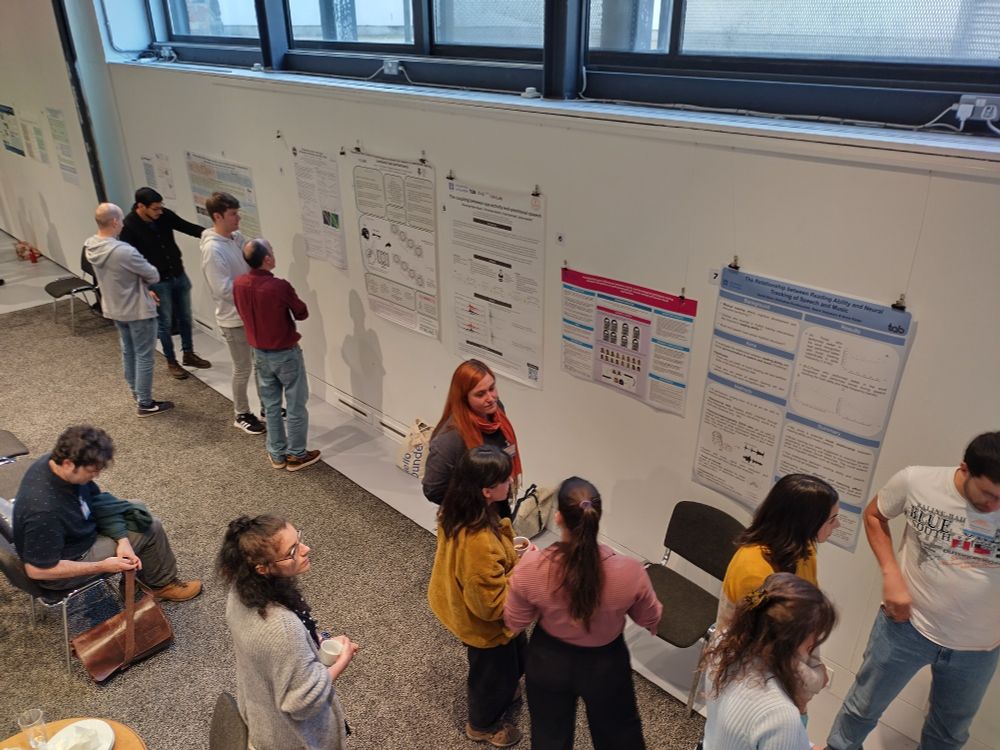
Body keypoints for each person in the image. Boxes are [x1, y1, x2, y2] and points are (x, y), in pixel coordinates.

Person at [827, 431, 1000, 750]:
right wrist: (890, 573)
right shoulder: (916, 482)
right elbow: (875, 515)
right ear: (964, 469)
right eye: (988, 494)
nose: (994, 506)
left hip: (979, 647)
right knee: (861, 710)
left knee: (948, 735)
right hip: (906, 626)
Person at [505, 477, 662, 750]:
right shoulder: (631, 572)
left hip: (548, 661)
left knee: (549, 736)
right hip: (606, 664)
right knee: (620, 735)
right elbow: (650, 618)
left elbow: (515, 621)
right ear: (597, 517)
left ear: (558, 517)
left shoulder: (530, 567)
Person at [11, 425, 200, 600]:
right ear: (68, 464)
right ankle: (161, 585)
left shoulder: (54, 463)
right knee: (151, 527)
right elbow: (38, 570)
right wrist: (103, 566)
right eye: (92, 471)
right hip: (67, 563)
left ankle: (140, 577)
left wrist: (122, 540)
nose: (96, 476)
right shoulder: (43, 511)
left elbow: (97, 501)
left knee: (137, 511)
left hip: (76, 533)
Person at [218, 514, 358, 750]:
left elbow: (270, 652)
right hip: (291, 737)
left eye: (299, 539)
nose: (305, 549)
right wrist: (343, 659)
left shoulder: (239, 592)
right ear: (263, 568)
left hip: (260, 711)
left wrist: (312, 642)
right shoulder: (282, 627)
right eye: (292, 551)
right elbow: (303, 702)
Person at [428, 445, 525, 748]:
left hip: (457, 601)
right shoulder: (479, 543)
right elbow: (491, 606)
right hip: (485, 628)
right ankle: (482, 726)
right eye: (505, 479)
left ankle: (506, 688)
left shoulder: (457, 507)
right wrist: (523, 571)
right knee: (490, 679)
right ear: (486, 490)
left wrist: (509, 558)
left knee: (514, 658)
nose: (511, 482)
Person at [702, 573, 837, 750]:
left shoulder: (723, 646)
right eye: (814, 637)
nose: (815, 642)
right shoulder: (780, 715)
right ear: (793, 641)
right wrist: (801, 707)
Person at [234, 238, 321, 472]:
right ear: (267, 259)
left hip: (259, 353)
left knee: (271, 405)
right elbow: (301, 313)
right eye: (271, 251)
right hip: (285, 353)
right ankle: (297, 454)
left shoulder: (239, 283)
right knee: (295, 404)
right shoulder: (279, 286)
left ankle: (276, 453)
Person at [84, 202, 174, 417]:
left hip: (115, 308)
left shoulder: (91, 246)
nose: (123, 224)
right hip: (137, 309)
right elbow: (153, 274)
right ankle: (145, 402)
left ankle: (136, 392)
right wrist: (142, 283)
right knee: (144, 355)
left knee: (128, 351)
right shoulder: (124, 251)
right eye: (121, 219)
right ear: (115, 222)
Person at [119, 186, 212, 380]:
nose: (159, 212)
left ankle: (189, 354)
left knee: (185, 317)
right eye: (155, 209)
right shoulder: (128, 227)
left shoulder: (164, 215)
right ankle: (172, 361)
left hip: (178, 273)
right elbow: (128, 261)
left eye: (161, 207)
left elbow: (187, 227)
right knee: (165, 323)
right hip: (156, 282)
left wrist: (214, 235)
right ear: (141, 206)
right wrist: (143, 287)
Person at [200, 191, 265, 435]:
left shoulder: (237, 239)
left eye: (238, 213)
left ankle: (267, 407)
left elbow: (252, 264)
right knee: (243, 367)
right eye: (233, 214)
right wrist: (252, 294)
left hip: (252, 313)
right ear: (217, 216)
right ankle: (242, 413)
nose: (238, 218)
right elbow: (223, 289)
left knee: (261, 365)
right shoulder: (212, 250)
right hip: (233, 318)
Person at [423, 359, 522, 519]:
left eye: (492, 388)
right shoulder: (450, 439)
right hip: (470, 513)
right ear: (464, 398)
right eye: (480, 394)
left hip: (497, 499)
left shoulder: (497, 410)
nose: (491, 398)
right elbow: (432, 489)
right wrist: (473, 503)